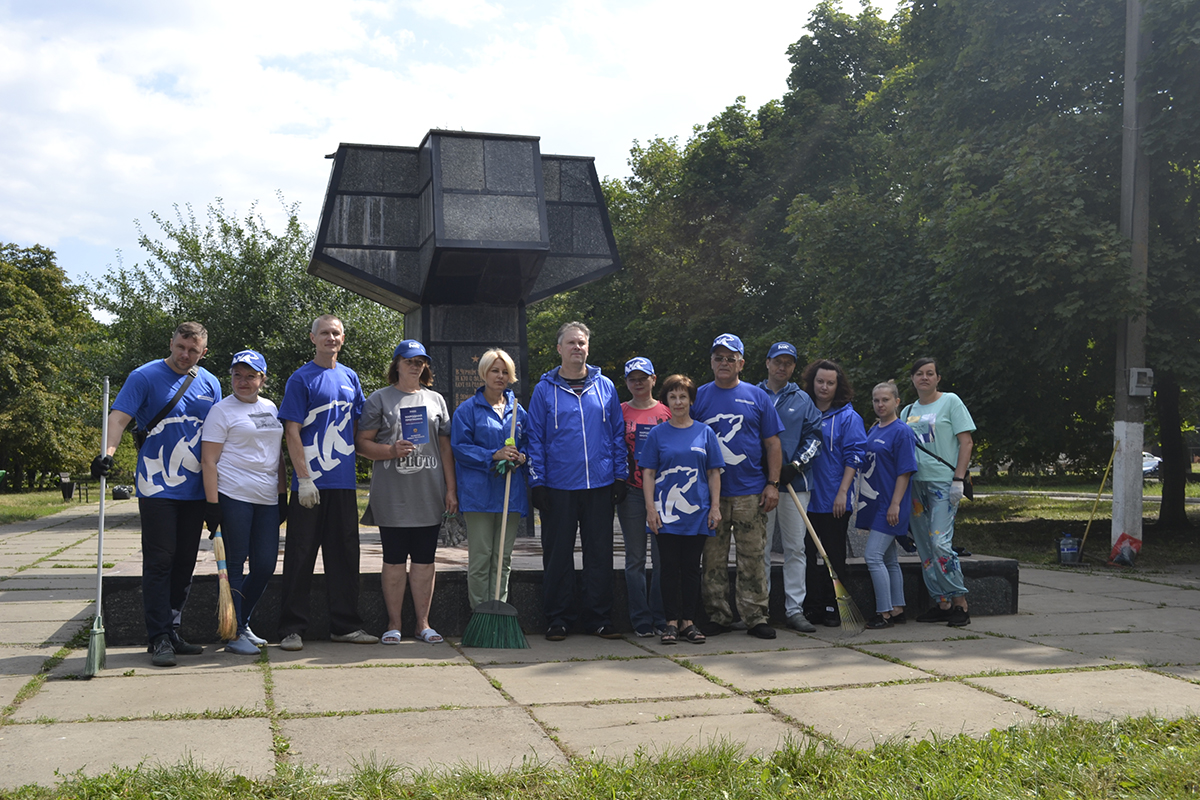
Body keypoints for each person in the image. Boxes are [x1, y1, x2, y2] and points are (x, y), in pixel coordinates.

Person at [91, 321, 222, 667]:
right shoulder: (144, 376)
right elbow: (118, 419)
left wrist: (219, 492)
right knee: (160, 560)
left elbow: (218, 435)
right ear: (172, 342)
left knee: (185, 563)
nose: (185, 355)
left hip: (196, 489)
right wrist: (107, 453)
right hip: (157, 486)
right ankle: (158, 636)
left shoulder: (210, 383)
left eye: (193, 350)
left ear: (203, 353)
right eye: (181, 347)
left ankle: (173, 629)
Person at [276, 315, 377, 651]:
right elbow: (291, 431)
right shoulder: (301, 379)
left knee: (345, 556)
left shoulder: (350, 378)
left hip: (344, 484)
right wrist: (303, 478)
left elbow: (361, 427)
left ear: (343, 338)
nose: (330, 338)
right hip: (310, 486)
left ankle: (345, 625)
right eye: (324, 333)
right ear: (313, 338)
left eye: (335, 333)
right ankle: (292, 628)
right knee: (300, 556)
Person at [527, 321, 626, 641]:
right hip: (558, 486)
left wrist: (619, 475)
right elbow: (535, 439)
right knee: (557, 555)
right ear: (559, 349)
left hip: (599, 484)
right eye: (570, 343)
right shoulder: (544, 390)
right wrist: (537, 482)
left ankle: (598, 617)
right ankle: (559, 618)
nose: (576, 348)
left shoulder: (606, 387)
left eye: (581, 343)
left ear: (588, 348)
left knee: (600, 554)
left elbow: (616, 434)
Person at [356, 340, 457, 645]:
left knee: (426, 560)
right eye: (409, 361)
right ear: (397, 364)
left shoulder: (436, 399)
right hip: (393, 494)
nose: (415, 366)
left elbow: (445, 447)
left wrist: (451, 489)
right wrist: (390, 450)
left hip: (429, 492)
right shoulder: (379, 399)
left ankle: (423, 624)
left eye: (420, 361)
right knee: (394, 559)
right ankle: (394, 623)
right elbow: (361, 444)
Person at [693, 333, 784, 640]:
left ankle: (755, 616)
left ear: (741, 363)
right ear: (711, 362)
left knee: (753, 558)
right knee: (713, 560)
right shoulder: (700, 397)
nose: (724, 363)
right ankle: (718, 615)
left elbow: (773, 444)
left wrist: (773, 484)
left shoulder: (758, 397)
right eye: (718, 358)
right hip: (711, 495)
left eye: (730, 358)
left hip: (750, 492)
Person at [200, 350, 287, 655]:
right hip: (233, 495)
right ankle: (233, 632)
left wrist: (282, 493)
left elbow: (277, 456)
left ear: (262, 379)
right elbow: (208, 461)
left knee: (264, 565)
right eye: (238, 375)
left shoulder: (270, 408)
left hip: (266, 498)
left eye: (251, 376)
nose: (243, 381)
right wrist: (212, 504)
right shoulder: (221, 411)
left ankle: (243, 621)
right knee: (235, 564)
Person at [641, 374, 724, 645]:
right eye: (673, 397)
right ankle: (670, 623)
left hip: (697, 512)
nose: (678, 402)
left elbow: (713, 473)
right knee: (668, 567)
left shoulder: (705, 432)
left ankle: (689, 621)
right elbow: (649, 474)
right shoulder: (657, 433)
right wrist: (650, 510)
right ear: (666, 400)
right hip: (665, 514)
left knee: (691, 567)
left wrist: (715, 507)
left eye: (683, 397)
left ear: (691, 400)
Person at [451, 348, 529, 611]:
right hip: (479, 494)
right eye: (495, 370)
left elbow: (529, 445)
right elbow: (460, 448)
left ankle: (498, 611)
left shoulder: (519, 410)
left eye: (505, 371)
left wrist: (522, 457)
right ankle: (480, 613)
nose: (500, 376)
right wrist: (493, 455)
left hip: (510, 492)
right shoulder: (468, 409)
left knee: (503, 558)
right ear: (484, 372)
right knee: (481, 557)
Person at [903, 357, 976, 627]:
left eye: (930, 373)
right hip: (914, 485)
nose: (924, 377)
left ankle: (960, 603)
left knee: (940, 544)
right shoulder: (907, 410)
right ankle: (942, 602)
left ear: (938, 378)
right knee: (924, 547)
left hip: (944, 483)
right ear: (912, 379)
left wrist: (959, 478)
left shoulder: (951, 402)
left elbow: (966, 442)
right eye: (919, 373)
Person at [758, 342, 822, 633]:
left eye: (788, 363)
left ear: (794, 367)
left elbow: (815, 437)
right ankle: (759, 608)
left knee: (796, 548)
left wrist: (795, 466)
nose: (782, 367)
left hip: (796, 484)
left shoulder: (803, 399)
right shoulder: (752, 394)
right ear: (768, 363)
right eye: (777, 362)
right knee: (760, 548)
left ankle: (794, 609)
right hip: (758, 485)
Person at [801, 358, 865, 628]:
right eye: (820, 381)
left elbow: (854, 457)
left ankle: (832, 605)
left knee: (833, 556)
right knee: (805, 555)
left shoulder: (849, 416)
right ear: (811, 382)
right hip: (804, 499)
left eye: (830, 382)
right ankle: (811, 605)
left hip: (833, 500)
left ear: (838, 386)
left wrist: (843, 493)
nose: (824, 387)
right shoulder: (803, 411)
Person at [616, 356, 671, 637]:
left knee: (662, 558)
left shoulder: (666, 412)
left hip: (664, 492)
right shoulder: (620, 411)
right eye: (632, 379)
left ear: (653, 379)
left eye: (642, 378)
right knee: (635, 558)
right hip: (631, 491)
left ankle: (661, 616)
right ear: (626, 383)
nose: (638, 383)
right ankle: (640, 618)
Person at [858, 381, 918, 629]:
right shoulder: (875, 429)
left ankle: (883, 613)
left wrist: (895, 505)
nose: (880, 404)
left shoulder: (902, 431)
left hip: (891, 505)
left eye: (885, 400)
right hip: (875, 502)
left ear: (897, 402)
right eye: (876, 400)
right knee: (889, 559)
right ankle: (897, 608)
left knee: (872, 556)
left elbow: (905, 472)